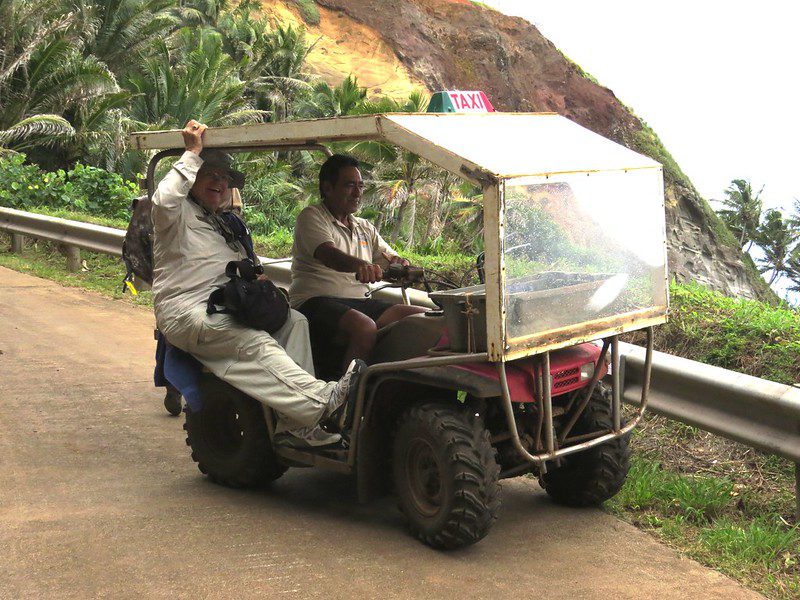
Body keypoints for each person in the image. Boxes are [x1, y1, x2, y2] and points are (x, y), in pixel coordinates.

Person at [150, 119, 363, 449]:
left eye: (224, 178)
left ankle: (294, 427)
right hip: (187, 309)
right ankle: (322, 401)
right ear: (192, 178)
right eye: (211, 175)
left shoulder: (224, 223)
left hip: (227, 302)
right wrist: (192, 153)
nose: (219, 183)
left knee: (296, 322)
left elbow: (239, 267)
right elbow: (163, 200)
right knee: (253, 343)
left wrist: (256, 278)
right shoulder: (176, 215)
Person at [290, 154, 426, 373]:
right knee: (364, 327)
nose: (358, 193)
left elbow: (388, 259)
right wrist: (361, 266)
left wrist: (403, 266)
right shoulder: (312, 216)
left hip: (358, 303)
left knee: (421, 317)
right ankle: (344, 399)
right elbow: (329, 255)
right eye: (350, 185)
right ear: (327, 187)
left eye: (361, 186)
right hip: (314, 303)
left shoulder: (364, 227)